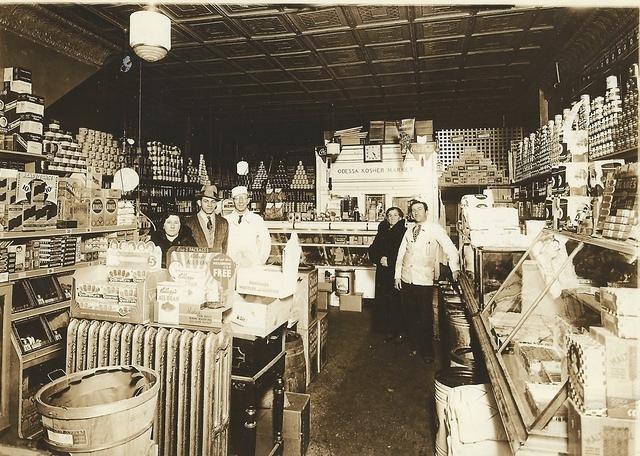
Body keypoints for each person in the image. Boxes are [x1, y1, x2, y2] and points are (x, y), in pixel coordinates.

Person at [394, 201, 460, 363]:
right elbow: (401, 254)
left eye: (419, 209)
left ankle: (427, 351)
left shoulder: (434, 229)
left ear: (426, 211)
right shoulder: (409, 230)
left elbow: (450, 248)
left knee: (424, 316)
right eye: (413, 210)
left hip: (423, 280)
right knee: (409, 314)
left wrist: (455, 268)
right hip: (406, 277)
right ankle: (415, 345)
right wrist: (397, 276)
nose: (416, 213)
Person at [368, 207, 407, 341]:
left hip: (395, 270)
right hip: (382, 270)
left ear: (401, 217)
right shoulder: (383, 229)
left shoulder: (404, 231)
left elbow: (402, 252)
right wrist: (379, 258)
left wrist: (388, 259)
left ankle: (398, 330)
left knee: (396, 300)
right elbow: (374, 247)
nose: (392, 218)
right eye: (389, 215)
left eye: (395, 215)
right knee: (384, 299)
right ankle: (387, 329)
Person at [224, 185, 271, 267]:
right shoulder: (225, 221)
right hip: (230, 267)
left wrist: (258, 263)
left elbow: (265, 244)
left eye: (243, 198)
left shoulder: (257, 220)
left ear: (248, 200)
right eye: (237, 198)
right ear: (232, 201)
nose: (241, 201)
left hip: (252, 268)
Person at [182, 184, 229, 252]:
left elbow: (225, 248)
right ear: (199, 202)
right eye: (206, 201)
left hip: (217, 262)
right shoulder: (188, 223)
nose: (209, 205)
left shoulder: (223, 223)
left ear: (216, 204)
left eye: (213, 201)